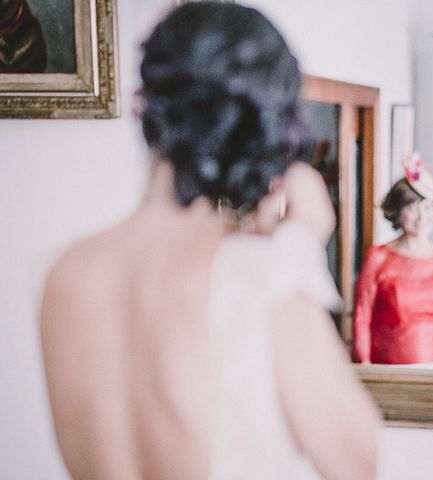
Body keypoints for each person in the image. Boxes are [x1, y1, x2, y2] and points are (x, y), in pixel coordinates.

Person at [39, 3, 379, 479]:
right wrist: (301, 246)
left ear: (146, 103)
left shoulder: (68, 272)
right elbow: (356, 461)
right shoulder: (258, 275)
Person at [352, 154, 433, 367]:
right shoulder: (378, 257)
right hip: (388, 369)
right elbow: (361, 316)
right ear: (398, 212)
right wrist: (364, 366)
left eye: (427, 207)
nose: (421, 217)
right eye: (411, 208)